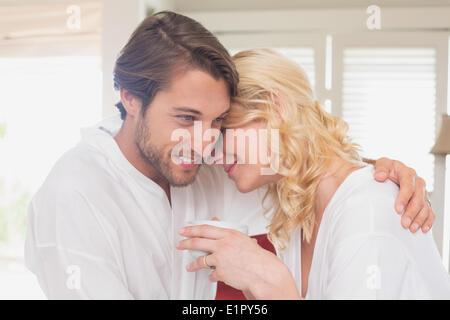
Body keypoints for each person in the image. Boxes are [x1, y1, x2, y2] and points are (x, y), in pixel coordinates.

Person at [25, 12, 433, 299]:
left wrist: (380, 174)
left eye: (220, 121)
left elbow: (317, 170)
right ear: (130, 98)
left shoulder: (205, 166)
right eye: (186, 117)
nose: (205, 144)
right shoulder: (74, 196)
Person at [176, 49, 450, 299]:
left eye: (224, 130)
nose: (211, 150)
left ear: (275, 108)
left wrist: (273, 283)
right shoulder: (302, 212)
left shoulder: (367, 211)